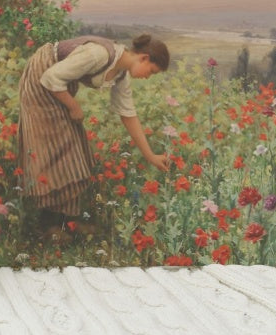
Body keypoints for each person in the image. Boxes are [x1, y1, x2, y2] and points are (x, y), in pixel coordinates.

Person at [17, 33, 170, 230]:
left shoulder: (121, 74)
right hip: (41, 77)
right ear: (144, 58)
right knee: (56, 150)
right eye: (151, 71)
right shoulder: (98, 54)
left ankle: (64, 223)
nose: (148, 76)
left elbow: (128, 115)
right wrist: (73, 106)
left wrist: (151, 156)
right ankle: (48, 226)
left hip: (60, 85)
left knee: (73, 151)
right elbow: (50, 77)